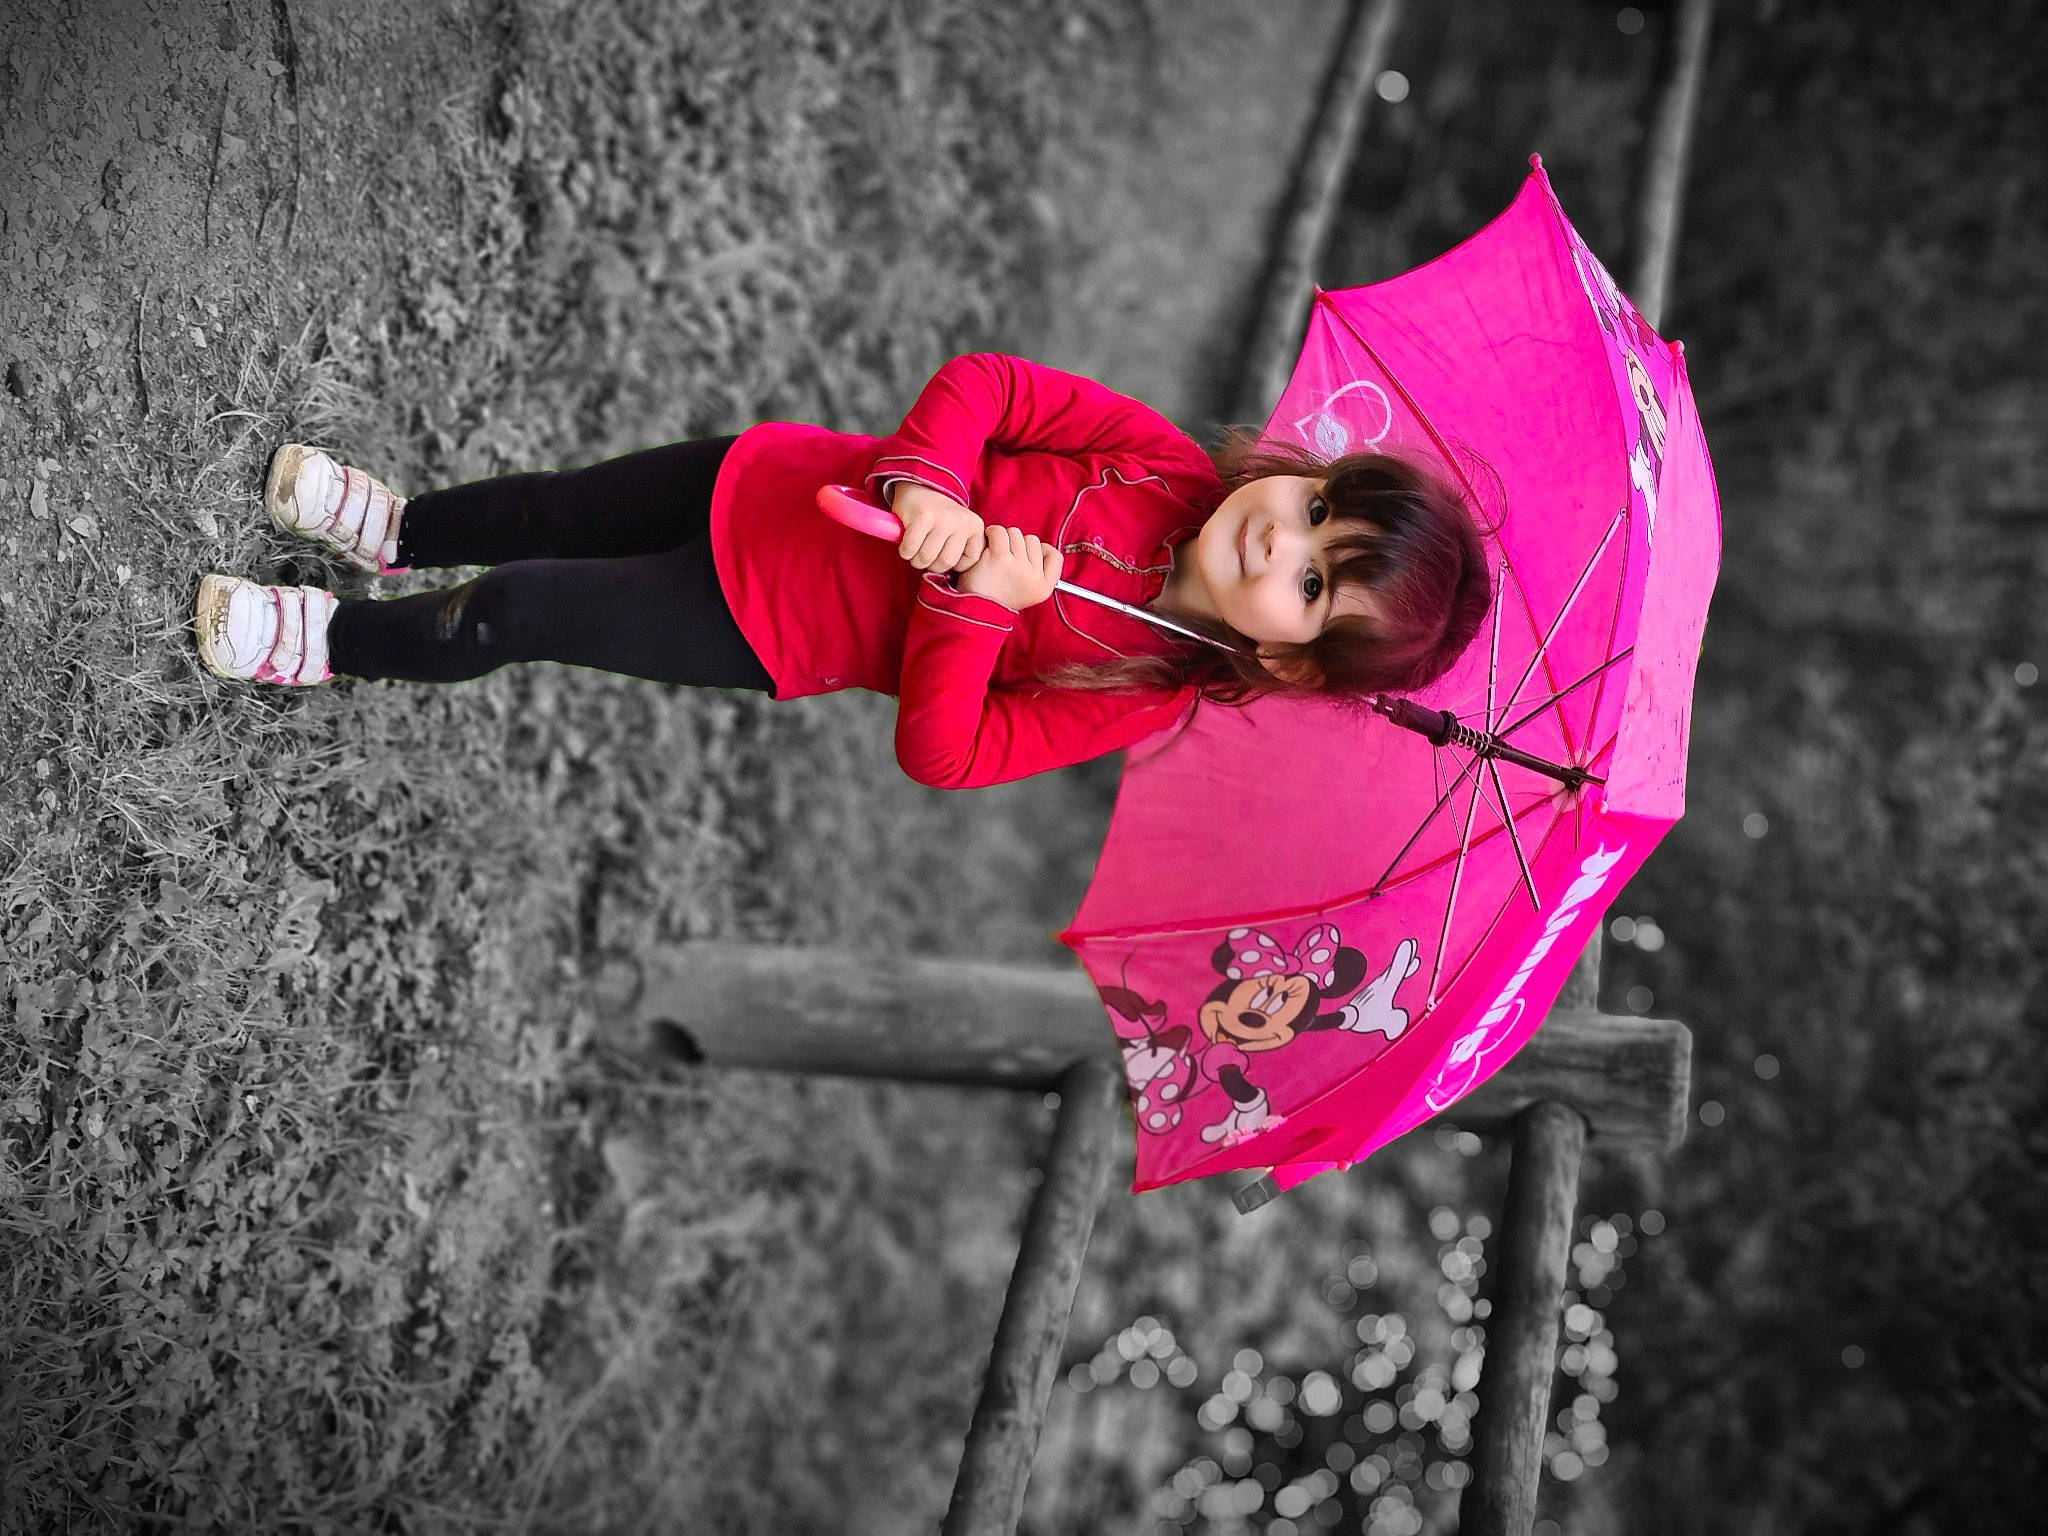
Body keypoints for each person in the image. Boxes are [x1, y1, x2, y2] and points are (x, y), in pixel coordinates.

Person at [193, 353, 1491, 789]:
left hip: (762, 619)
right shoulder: (1155, 462)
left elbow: (947, 751)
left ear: (1283, 654)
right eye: (1315, 506)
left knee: (521, 609)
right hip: (773, 481)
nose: (1279, 536)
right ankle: (399, 528)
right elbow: (991, 386)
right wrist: (928, 484)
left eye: (1315, 583)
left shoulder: (1138, 682)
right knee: (555, 509)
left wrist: (978, 603)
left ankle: (319, 643)